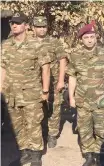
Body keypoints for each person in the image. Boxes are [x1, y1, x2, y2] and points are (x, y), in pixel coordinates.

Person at [0, 12, 53, 166]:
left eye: (18, 22)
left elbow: (46, 69)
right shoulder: (6, 45)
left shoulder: (37, 44)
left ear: (26, 25)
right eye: (12, 23)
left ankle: (36, 154)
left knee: (33, 124)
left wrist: (45, 90)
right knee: (17, 125)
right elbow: (2, 68)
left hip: (31, 93)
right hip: (12, 94)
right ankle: (25, 153)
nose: (14, 25)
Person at [67, 21, 104, 166]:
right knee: (84, 131)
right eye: (86, 37)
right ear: (81, 40)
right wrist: (71, 97)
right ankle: (89, 158)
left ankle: (100, 159)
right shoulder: (75, 55)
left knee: (101, 131)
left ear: (96, 37)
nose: (89, 40)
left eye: (92, 36)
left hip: (101, 101)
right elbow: (72, 78)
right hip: (82, 101)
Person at [32, 15, 68, 148]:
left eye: (44, 26)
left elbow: (63, 60)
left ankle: (52, 134)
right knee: (37, 109)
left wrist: (60, 81)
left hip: (53, 83)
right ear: (33, 28)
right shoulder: (29, 43)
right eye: (38, 27)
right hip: (35, 84)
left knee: (54, 108)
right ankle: (41, 132)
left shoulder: (54, 42)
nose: (41, 29)